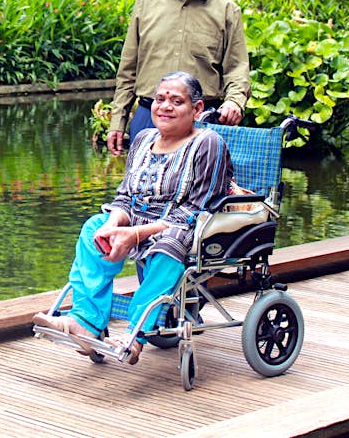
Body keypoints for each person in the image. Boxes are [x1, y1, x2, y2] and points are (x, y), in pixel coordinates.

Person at [33, 71, 234, 365]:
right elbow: (125, 196)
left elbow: (195, 211)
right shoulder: (142, 139)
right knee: (94, 228)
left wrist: (135, 235)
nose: (165, 106)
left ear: (197, 109)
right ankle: (85, 322)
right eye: (160, 99)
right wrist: (114, 225)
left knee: (169, 244)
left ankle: (134, 336)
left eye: (176, 101)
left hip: (182, 229)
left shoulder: (208, 143)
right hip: (137, 222)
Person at [105, 0, 250, 156]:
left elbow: (237, 69)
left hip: (202, 122)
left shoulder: (227, 11)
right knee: (141, 190)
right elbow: (128, 69)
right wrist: (117, 121)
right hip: (149, 117)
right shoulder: (146, 2)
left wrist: (234, 103)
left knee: (200, 190)